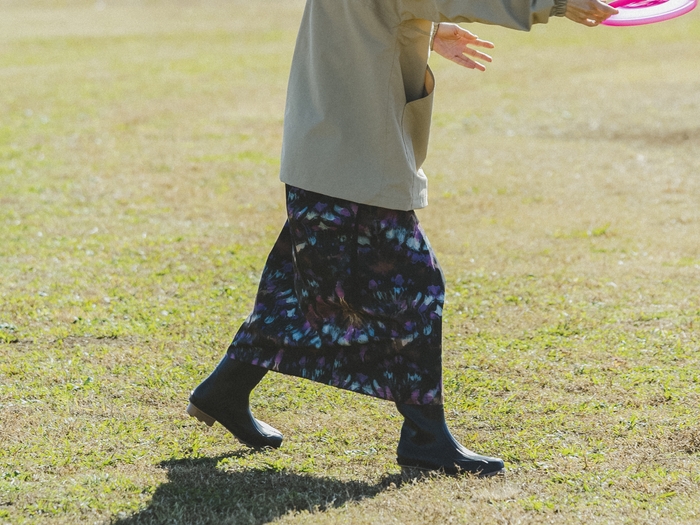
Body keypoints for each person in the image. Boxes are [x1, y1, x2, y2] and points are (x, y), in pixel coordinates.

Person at [187, 0, 617, 477]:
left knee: (303, 288)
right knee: (415, 288)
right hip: (355, 158)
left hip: (325, 149)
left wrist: (425, 28)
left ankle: (224, 390)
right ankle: (425, 438)